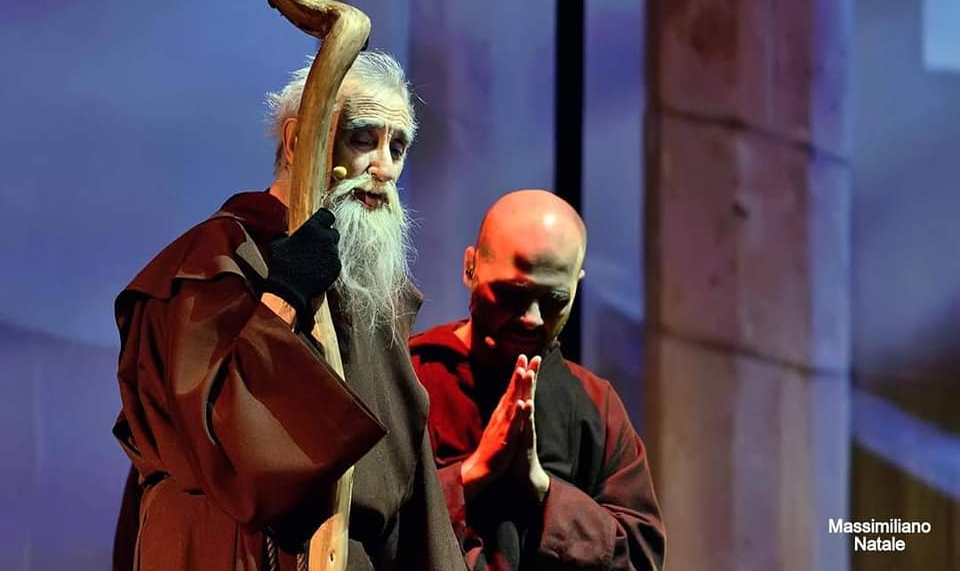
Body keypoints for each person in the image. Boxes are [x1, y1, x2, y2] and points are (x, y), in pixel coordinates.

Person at [112, 52, 465, 570]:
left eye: (398, 147)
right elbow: (230, 446)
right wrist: (284, 298)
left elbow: (412, 502)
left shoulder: (374, 296)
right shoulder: (212, 265)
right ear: (299, 140)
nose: (384, 168)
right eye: (362, 139)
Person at [410, 189, 666, 570]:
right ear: (470, 268)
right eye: (513, 294)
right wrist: (472, 473)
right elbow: (367, 525)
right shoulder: (413, 377)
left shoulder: (595, 406)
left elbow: (642, 556)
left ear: (577, 285)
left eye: (554, 300)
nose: (532, 318)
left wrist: (543, 487)